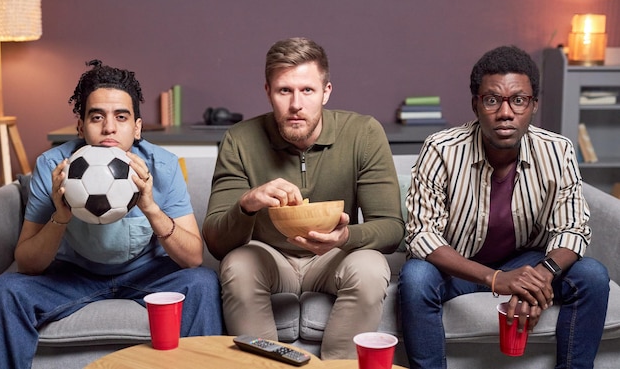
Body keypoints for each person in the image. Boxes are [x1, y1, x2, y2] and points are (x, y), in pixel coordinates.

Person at [0, 60, 223, 369]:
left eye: (121, 117)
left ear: (137, 127)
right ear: (80, 125)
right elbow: (27, 262)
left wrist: (150, 207)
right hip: (72, 276)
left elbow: (193, 258)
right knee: (5, 290)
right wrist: (60, 216)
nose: (109, 128)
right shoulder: (54, 166)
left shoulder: (163, 164)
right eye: (97, 116)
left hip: (146, 275)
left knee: (203, 282)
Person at [398, 45, 610, 369]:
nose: (506, 113)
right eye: (492, 100)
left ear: (533, 105)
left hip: (528, 260)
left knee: (593, 275)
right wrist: (497, 279)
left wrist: (539, 277)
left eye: (519, 100)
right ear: (476, 104)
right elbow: (422, 235)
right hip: (459, 264)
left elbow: (573, 228)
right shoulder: (441, 149)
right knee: (415, 278)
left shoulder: (557, 151)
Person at [202, 37, 404, 359]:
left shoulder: (364, 133)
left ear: (326, 92)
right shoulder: (239, 140)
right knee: (237, 264)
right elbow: (215, 242)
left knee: (371, 266)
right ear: (268, 92)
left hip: (334, 256)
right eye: (285, 91)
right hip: (269, 258)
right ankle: (265, 367)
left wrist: (344, 236)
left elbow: (392, 228)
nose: (296, 104)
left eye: (307, 90)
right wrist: (248, 203)